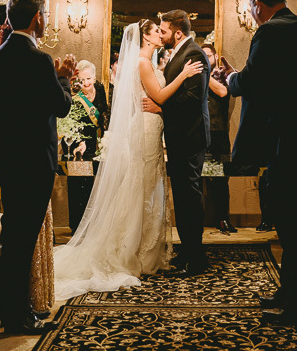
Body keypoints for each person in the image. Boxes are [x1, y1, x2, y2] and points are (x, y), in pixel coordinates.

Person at [54, 19, 203, 299]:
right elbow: (158, 95)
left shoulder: (149, 63)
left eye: (162, 30)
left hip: (151, 127)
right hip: (147, 129)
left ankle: (145, 249)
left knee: (147, 188)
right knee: (143, 188)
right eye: (156, 31)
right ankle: (135, 252)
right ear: (145, 38)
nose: (161, 34)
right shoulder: (143, 64)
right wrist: (182, 75)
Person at [219, 0, 297, 328]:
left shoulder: (270, 32)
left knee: (293, 225)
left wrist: (230, 77)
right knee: (290, 219)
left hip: (295, 139)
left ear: (257, 5)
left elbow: (253, 81)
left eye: (251, 9)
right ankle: (290, 294)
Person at [0, 0, 75, 335]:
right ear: (37, 18)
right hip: (35, 161)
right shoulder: (39, 60)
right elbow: (62, 106)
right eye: (46, 15)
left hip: (10, 157)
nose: (47, 20)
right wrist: (64, 76)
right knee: (23, 242)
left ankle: (13, 309)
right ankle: (16, 318)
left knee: (15, 236)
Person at [158, 9, 210, 275]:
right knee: (182, 196)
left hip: (190, 135)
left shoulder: (194, 54)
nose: (161, 35)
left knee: (189, 197)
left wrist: (160, 109)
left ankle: (196, 258)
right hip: (180, 135)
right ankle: (187, 251)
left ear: (178, 32)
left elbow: (193, 98)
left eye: (164, 31)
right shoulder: (180, 53)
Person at [66, 60, 107, 232]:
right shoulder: (74, 95)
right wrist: (79, 142)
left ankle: (93, 229)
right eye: (81, 80)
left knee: (95, 189)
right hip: (79, 147)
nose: (86, 83)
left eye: (89, 78)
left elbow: (105, 113)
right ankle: (77, 228)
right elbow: (68, 122)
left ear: (95, 77)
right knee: (78, 187)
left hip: (98, 145)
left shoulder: (101, 90)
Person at [200, 43, 237, 234]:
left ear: (215, 57)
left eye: (208, 55)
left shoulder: (222, 75)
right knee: (198, 180)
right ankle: (198, 221)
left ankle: (223, 219)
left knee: (221, 180)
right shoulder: (195, 76)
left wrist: (203, 76)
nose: (206, 58)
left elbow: (223, 92)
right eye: (202, 55)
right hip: (199, 133)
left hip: (219, 134)